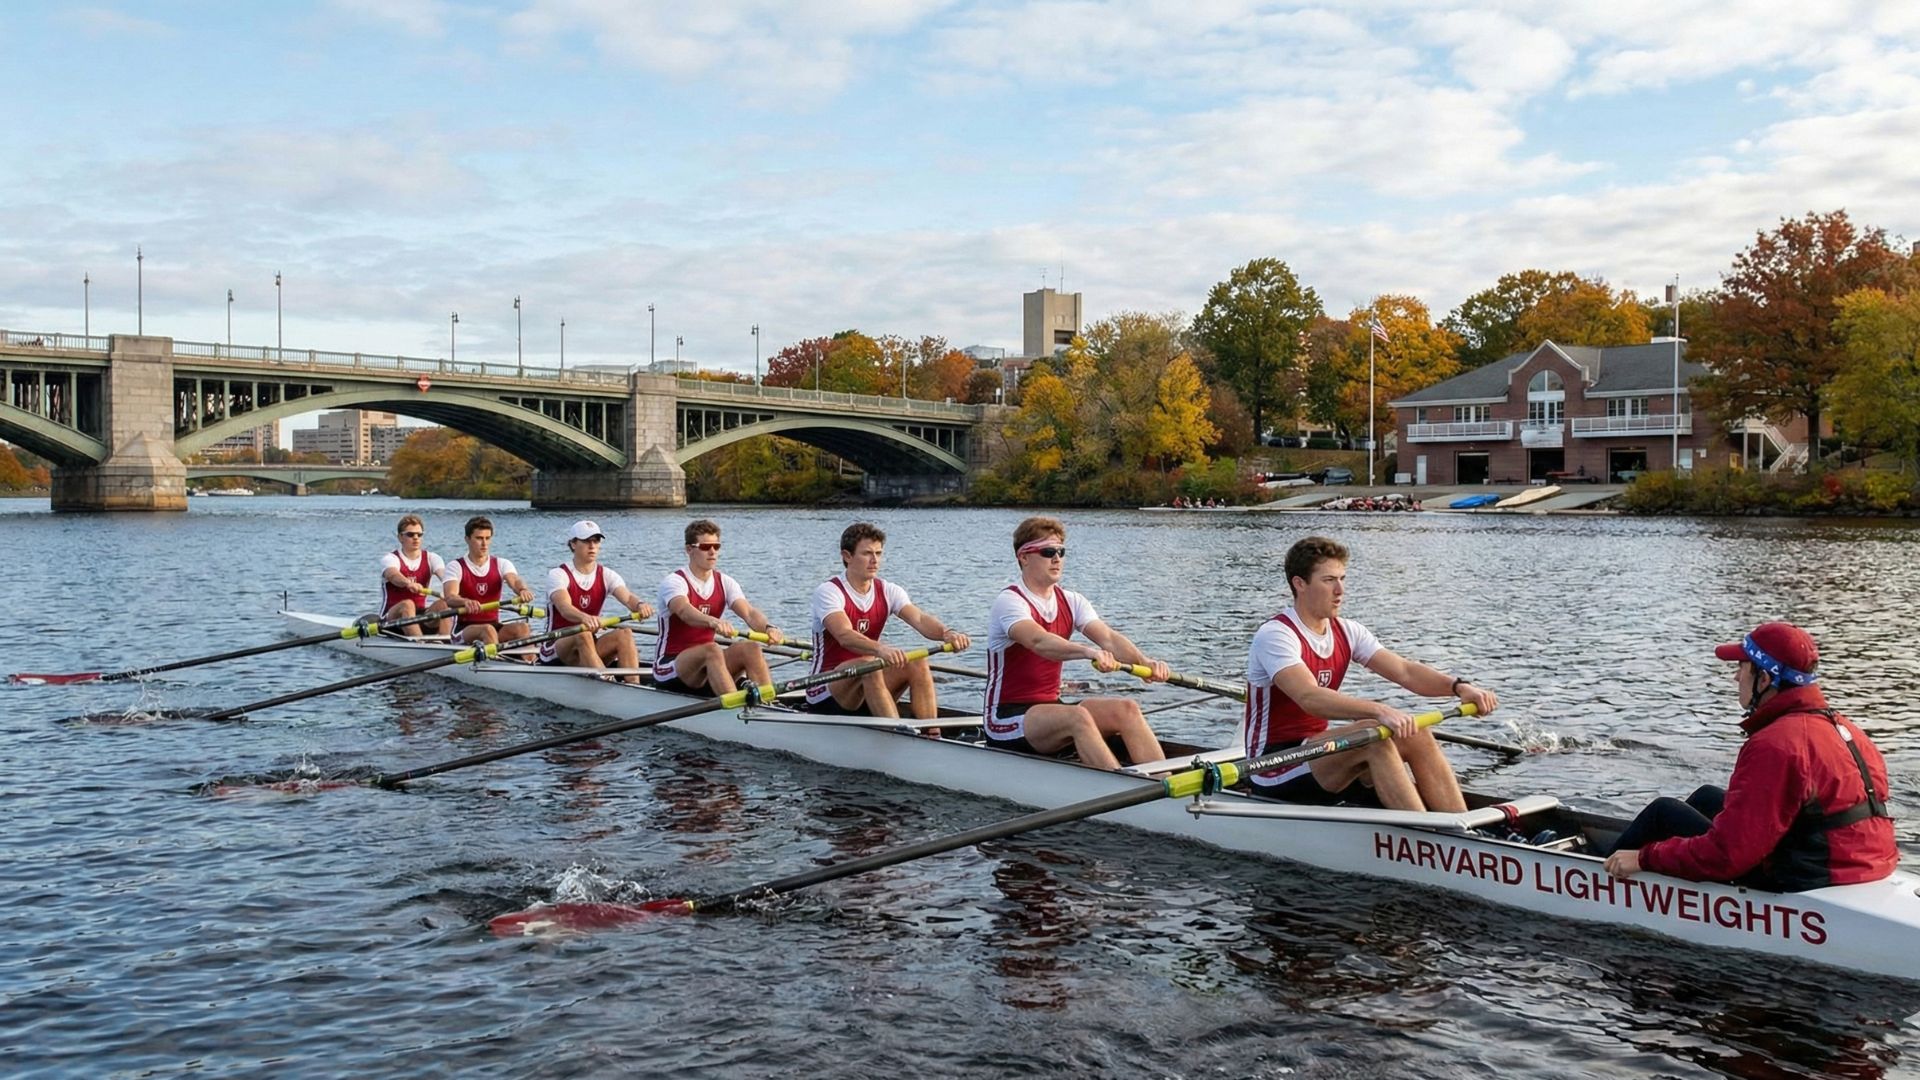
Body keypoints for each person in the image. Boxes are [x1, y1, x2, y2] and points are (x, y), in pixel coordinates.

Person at [1603, 622, 1896, 890]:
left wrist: (1646, 858)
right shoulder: (1847, 729)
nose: (1735, 677)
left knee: (1662, 812)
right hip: (1866, 865)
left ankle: (1597, 875)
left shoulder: (1776, 744)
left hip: (1807, 876)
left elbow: (1727, 855)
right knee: (1707, 797)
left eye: (1741, 667)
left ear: (1764, 679)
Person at [1244, 536, 1497, 810]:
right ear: (1300, 583)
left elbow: (1405, 672)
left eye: (1342, 578)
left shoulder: (1347, 631)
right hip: (1272, 765)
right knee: (1373, 737)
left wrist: (1459, 687)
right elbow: (1309, 697)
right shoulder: (1276, 635)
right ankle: (1427, 837)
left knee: (1415, 732)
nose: (1340, 590)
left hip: (1319, 754)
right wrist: (1378, 710)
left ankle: (1461, 829)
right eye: (1329, 580)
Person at [983, 516, 1170, 769]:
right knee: (1078, 717)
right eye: (1048, 551)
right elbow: (1038, 641)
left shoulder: (1072, 601)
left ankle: (1163, 784)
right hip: (1006, 717)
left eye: (1061, 551)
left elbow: (1108, 638)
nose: (1057, 558)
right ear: (1024, 557)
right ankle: (1121, 791)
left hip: (1050, 710)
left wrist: (1144, 662)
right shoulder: (1010, 602)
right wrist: (1087, 652)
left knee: (1127, 709)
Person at [805, 522, 971, 719]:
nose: (874, 560)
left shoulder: (888, 590)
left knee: (917, 662)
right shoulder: (829, 592)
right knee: (871, 664)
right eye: (867, 553)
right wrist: (880, 649)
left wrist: (946, 633)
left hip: (867, 679)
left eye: (878, 553)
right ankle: (896, 735)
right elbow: (844, 635)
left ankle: (931, 734)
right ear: (847, 556)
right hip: (826, 686)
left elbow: (919, 618)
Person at [653, 519, 782, 696]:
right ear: (689, 549)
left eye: (717, 546)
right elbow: (684, 611)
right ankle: (735, 713)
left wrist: (768, 628)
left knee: (751, 648)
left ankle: (768, 704)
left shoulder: (725, 582)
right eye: (705, 547)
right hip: (671, 665)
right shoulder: (674, 582)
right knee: (712, 649)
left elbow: (750, 613)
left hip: (708, 664)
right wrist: (712, 621)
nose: (712, 551)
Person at [543, 520, 654, 683]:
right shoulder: (558, 575)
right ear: (573, 544)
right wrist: (584, 618)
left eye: (596, 541)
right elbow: (564, 607)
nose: (592, 546)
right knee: (582, 632)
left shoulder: (607, 575)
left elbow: (628, 597)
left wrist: (640, 605)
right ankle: (607, 684)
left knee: (624, 634)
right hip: (556, 648)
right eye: (586, 541)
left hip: (587, 645)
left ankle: (634, 686)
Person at [443, 515, 538, 649]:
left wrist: (523, 590)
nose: (484, 543)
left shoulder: (502, 563)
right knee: (487, 630)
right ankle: (496, 666)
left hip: (493, 625)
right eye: (479, 538)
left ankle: (529, 663)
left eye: (488, 538)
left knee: (522, 628)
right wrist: (465, 602)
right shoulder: (456, 566)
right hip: (464, 629)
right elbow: (450, 597)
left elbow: (515, 581)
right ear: (467, 540)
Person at [379, 513, 452, 637]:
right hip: (392, 619)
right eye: (410, 534)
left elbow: (446, 578)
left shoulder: (432, 558)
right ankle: (421, 644)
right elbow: (393, 575)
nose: (416, 538)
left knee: (445, 603)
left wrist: (454, 590)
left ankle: (446, 644)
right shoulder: (390, 559)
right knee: (408, 604)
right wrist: (408, 583)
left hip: (420, 616)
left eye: (419, 534)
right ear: (400, 537)